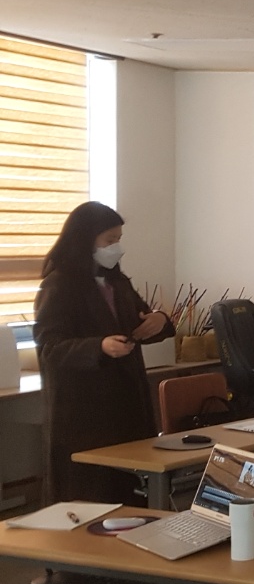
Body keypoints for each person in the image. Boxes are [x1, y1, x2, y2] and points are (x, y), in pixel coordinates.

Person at [34, 202, 175, 503]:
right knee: (94, 494)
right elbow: (50, 347)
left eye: (119, 239)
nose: (117, 248)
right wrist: (98, 347)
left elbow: (141, 321)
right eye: (110, 240)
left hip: (128, 402)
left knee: (134, 490)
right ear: (85, 239)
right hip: (86, 409)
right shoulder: (58, 285)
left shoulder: (117, 281)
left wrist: (159, 320)